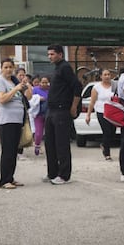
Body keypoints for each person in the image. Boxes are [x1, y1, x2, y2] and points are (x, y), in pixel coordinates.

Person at [44, 44, 82, 185]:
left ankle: (64, 175)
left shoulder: (65, 67)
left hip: (62, 111)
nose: (50, 57)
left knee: (61, 145)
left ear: (60, 54)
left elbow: (77, 86)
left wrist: (73, 107)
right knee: (50, 144)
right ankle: (52, 173)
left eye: (52, 54)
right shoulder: (56, 69)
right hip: (51, 110)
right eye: (48, 54)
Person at [0, 58, 32, 189]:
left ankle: (11, 177)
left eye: (11, 67)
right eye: (6, 67)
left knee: (14, 150)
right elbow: (2, 99)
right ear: (1, 68)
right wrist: (16, 89)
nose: (9, 69)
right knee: (8, 150)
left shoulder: (14, 81)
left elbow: (28, 97)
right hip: (7, 120)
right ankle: (4, 180)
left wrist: (26, 86)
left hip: (17, 120)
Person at [85, 69, 117, 161]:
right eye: (105, 74)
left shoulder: (114, 86)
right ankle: (107, 153)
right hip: (101, 111)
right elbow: (92, 102)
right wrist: (88, 115)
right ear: (101, 76)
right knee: (106, 132)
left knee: (112, 132)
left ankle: (104, 144)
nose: (107, 76)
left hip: (113, 112)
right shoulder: (97, 87)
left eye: (108, 74)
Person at [31, 76, 49, 156]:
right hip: (39, 114)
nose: (44, 84)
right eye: (42, 82)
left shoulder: (51, 90)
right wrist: (38, 98)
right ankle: (37, 145)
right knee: (38, 133)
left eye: (46, 82)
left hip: (49, 115)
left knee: (49, 133)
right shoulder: (35, 90)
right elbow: (31, 100)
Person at [15, 67, 31, 161]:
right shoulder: (13, 84)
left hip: (23, 109)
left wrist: (28, 85)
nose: (22, 77)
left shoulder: (25, 85)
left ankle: (20, 151)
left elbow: (29, 97)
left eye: (23, 75)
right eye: (20, 75)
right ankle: (15, 151)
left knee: (22, 130)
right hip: (15, 109)